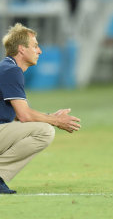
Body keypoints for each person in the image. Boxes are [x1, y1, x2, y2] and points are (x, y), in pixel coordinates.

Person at [0, 23, 81, 194]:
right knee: (44, 131)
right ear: (21, 49)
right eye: (35, 46)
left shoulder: (7, 68)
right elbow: (24, 116)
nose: (40, 51)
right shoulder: (11, 71)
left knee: (40, 126)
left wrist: (50, 116)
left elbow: (15, 114)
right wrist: (56, 120)